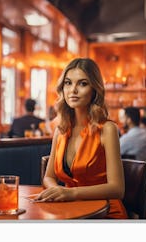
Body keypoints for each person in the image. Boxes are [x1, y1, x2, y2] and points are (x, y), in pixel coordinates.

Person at [37, 58, 127, 219]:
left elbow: (117, 188)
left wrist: (70, 193)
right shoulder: (61, 130)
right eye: (68, 83)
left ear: (95, 89)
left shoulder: (107, 129)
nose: (73, 90)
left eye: (83, 83)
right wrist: (56, 191)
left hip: (105, 212)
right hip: (69, 210)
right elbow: (49, 177)